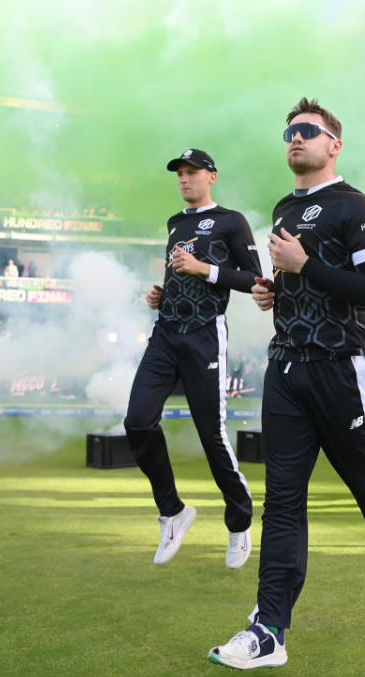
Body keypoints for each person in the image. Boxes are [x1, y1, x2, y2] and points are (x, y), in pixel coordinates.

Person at [208, 98, 365, 671]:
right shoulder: (284, 207)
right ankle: (269, 630)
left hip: (342, 366)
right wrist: (272, 291)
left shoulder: (356, 206)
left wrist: (303, 266)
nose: (295, 139)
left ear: (334, 144)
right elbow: (296, 282)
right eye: (289, 132)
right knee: (282, 500)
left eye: (307, 131)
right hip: (285, 368)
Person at [123, 148, 261, 570]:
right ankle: (173, 511)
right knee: (137, 421)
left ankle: (239, 523)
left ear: (211, 177)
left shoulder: (231, 221)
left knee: (211, 435)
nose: (184, 180)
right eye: (179, 174)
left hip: (205, 336)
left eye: (192, 172)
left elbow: (254, 278)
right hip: (165, 333)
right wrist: (162, 295)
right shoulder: (175, 224)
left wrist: (203, 269)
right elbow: (176, 274)